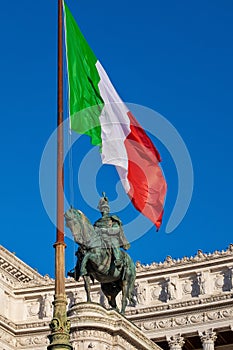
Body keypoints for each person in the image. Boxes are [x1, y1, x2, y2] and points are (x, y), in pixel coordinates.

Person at [94, 193, 130, 268]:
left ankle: (118, 260)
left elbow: (116, 230)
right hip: (100, 240)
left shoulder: (113, 219)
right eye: (103, 209)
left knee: (114, 242)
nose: (104, 211)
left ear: (108, 209)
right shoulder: (97, 222)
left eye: (106, 209)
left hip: (110, 238)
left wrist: (105, 231)